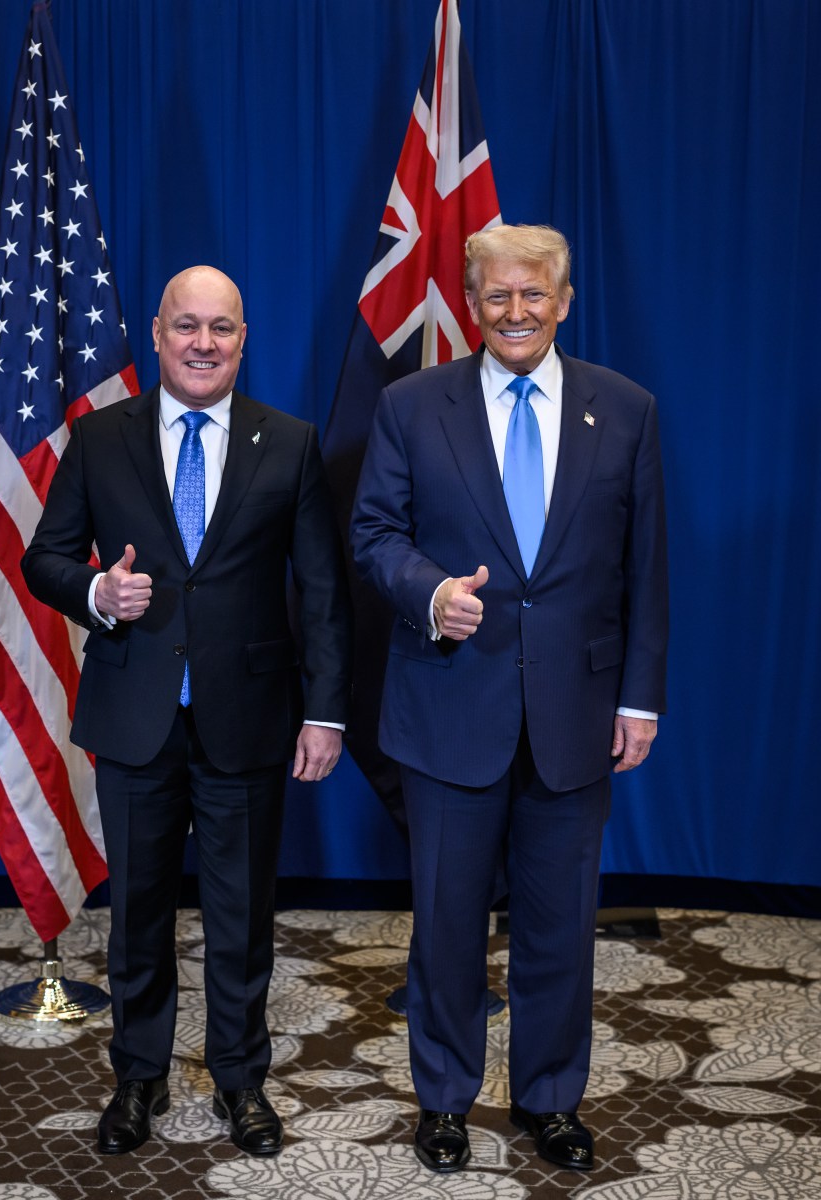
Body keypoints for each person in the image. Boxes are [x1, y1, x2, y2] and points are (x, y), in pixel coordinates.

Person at [350, 225, 667, 1174]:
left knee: (560, 928)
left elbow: (645, 570)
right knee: (445, 926)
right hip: (450, 707)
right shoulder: (413, 406)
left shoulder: (628, 408)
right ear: (471, 303)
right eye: (497, 297)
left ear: (564, 302)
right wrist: (429, 592)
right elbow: (373, 532)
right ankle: (443, 1101)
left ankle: (550, 1100)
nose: (516, 312)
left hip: (576, 715)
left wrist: (640, 699)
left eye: (534, 296)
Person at [21, 266, 352, 1158]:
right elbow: (42, 558)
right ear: (159, 335)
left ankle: (242, 1082)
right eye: (186, 327)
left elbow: (320, 591)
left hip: (248, 720)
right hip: (135, 718)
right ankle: (139, 1078)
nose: (203, 344)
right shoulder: (99, 439)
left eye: (222, 329)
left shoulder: (289, 443)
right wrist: (98, 589)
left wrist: (326, 714)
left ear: (244, 340)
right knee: (137, 915)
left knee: (243, 918)